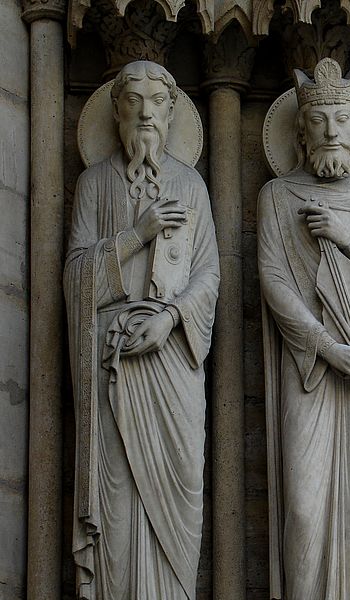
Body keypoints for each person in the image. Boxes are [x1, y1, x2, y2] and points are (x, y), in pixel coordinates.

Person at [65, 61, 220, 599]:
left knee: (175, 502)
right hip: (114, 359)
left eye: (156, 101)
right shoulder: (93, 183)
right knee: (120, 503)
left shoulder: (191, 185)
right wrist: (136, 235)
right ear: (116, 111)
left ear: (172, 111)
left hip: (172, 359)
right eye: (132, 101)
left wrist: (171, 318)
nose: (145, 112)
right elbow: (76, 277)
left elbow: (208, 275)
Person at [257, 57, 350, 599]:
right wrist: (324, 347)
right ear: (301, 130)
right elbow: (273, 281)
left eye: (340, 120)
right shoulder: (276, 198)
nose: (329, 130)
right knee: (302, 505)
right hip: (312, 369)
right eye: (318, 120)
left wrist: (349, 238)